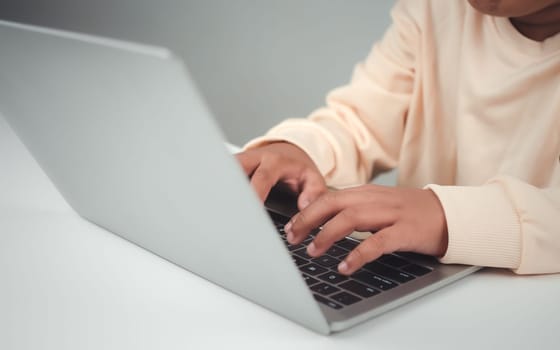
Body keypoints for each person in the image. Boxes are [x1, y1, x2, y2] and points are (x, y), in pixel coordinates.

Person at [236, 0, 560, 276]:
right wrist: (301, 149)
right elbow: (362, 120)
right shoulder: (436, 8)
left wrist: (447, 217)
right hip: (423, 281)